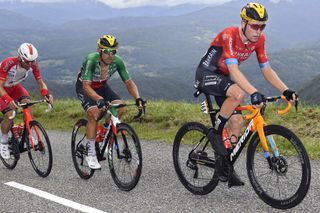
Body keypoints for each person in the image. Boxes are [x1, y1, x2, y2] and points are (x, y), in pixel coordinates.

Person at [194, 3, 298, 187]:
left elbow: (267, 70)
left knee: (237, 122)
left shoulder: (259, 40)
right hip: (207, 74)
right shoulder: (229, 34)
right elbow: (233, 71)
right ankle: (216, 133)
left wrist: (285, 90)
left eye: (262, 26)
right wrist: (254, 92)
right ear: (243, 22)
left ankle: (224, 161)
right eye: (255, 26)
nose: (258, 31)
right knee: (238, 94)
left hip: (223, 78)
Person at [76, 34, 145, 169]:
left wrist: (137, 98)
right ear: (99, 51)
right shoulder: (91, 60)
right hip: (86, 87)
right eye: (107, 51)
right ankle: (90, 153)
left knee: (119, 107)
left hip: (102, 86)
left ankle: (105, 135)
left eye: (113, 51)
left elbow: (129, 82)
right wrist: (99, 100)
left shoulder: (117, 61)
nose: (110, 55)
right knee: (94, 114)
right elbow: (86, 86)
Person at [0, 43, 53, 159]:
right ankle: (3, 142)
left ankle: (28, 132)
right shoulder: (8, 63)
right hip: (1, 88)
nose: (30, 65)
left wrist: (46, 94)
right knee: (9, 115)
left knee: (27, 102)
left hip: (13, 86)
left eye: (33, 61)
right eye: (27, 62)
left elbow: (40, 82)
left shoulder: (33, 64)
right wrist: (8, 100)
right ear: (20, 58)